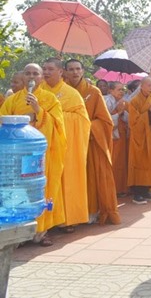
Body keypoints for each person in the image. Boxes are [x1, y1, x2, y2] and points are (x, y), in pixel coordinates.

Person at [0, 63, 66, 246]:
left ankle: (42, 231)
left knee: (41, 189)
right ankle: (18, 231)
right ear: (23, 77)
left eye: (35, 73)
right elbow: (2, 121)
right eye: (28, 73)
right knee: (19, 190)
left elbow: (58, 125)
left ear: (41, 78)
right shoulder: (12, 100)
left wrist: (38, 111)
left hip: (40, 154)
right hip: (17, 154)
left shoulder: (50, 99)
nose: (31, 77)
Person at [65, 59, 121, 225]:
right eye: (71, 69)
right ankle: (69, 213)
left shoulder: (93, 92)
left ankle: (91, 209)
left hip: (89, 141)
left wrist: (89, 128)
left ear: (83, 71)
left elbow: (105, 121)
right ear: (65, 72)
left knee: (90, 176)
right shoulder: (62, 92)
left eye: (78, 69)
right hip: (67, 142)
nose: (75, 72)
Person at [42, 58, 91, 231]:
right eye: (44, 69)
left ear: (60, 72)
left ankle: (67, 219)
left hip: (66, 145)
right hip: (44, 145)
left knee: (66, 180)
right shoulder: (40, 91)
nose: (46, 72)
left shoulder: (71, 94)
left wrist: (57, 116)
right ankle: (46, 220)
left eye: (50, 69)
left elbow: (83, 120)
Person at [127, 77, 151, 204]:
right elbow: (133, 122)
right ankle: (137, 193)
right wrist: (148, 113)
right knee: (139, 163)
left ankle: (146, 191)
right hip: (139, 139)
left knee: (150, 163)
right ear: (141, 86)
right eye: (149, 85)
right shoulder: (134, 101)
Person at [104, 81, 130, 196]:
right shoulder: (106, 101)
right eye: (119, 89)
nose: (122, 92)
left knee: (121, 163)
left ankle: (121, 188)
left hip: (121, 136)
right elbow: (105, 120)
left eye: (123, 89)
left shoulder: (122, 101)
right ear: (111, 90)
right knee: (113, 163)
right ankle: (112, 189)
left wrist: (122, 113)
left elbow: (128, 119)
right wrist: (118, 112)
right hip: (111, 137)